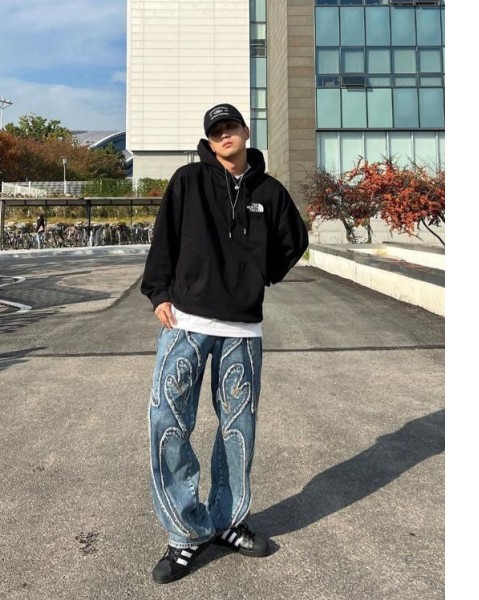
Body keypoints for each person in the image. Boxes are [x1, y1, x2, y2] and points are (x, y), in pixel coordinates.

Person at [141, 103, 309, 584]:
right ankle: (184, 532)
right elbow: (165, 237)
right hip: (186, 321)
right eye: (216, 131)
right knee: (168, 422)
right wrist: (158, 292)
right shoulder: (188, 181)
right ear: (209, 140)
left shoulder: (270, 192)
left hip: (242, 330)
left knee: (238, 429)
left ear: (245, 131)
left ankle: (229, 521)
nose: (224, 135)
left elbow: (294, 240)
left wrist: (259, 275)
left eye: (231, 126)